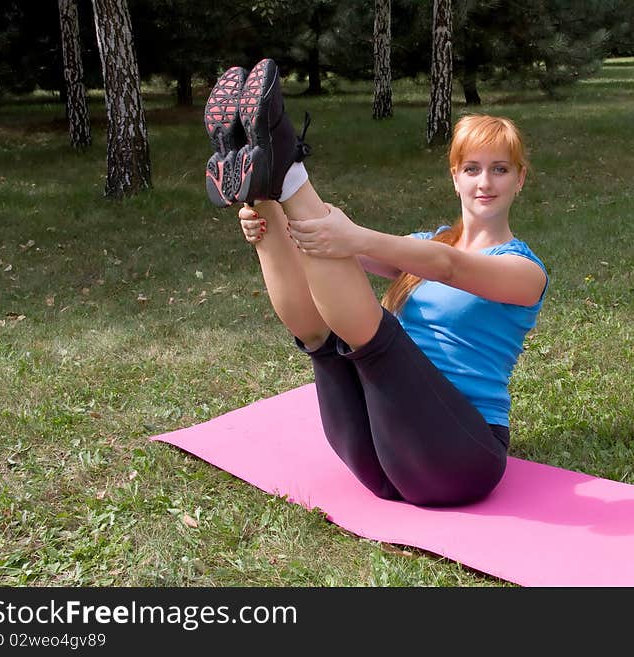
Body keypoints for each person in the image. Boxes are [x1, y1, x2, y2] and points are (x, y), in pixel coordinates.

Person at [204, 58, 548, 507]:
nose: (485, 182)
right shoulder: (423, 243)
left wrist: (352, 236)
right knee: (321, 336)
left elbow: (450, 268)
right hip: (382, 453)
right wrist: (267, 224)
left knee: (378, 338)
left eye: (500, 169)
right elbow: (330, 243)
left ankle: (284, 168)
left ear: (520, 179)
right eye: (472, 169)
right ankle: (267, 185)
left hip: (460, 458)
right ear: (455, 178)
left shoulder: (524, 271)